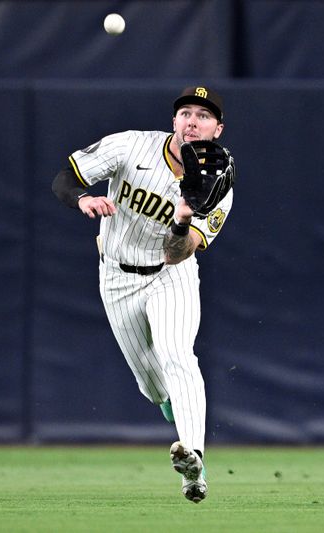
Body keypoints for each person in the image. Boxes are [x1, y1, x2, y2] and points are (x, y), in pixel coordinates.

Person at [51, 86, 234, 503]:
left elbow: (178, 254)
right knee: (152, 386)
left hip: (171, 276)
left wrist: (184, 219)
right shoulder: (131, 144)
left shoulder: (218, 183)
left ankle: (194, 459)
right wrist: (83, 198)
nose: (192, 120)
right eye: (185, 112)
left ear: (217, 129)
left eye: (203, 116)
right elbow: (65, 176)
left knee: (177, 354)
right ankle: (175, 418)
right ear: (173, 121)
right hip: (116, 277)